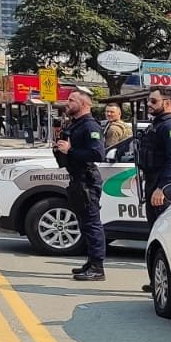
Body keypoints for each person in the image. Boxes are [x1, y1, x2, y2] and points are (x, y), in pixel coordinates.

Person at [54, 92, 108, 282]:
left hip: (87, 180)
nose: (67, 104)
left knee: (92, 223)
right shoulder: (74, 124)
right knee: (84, 223)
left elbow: (97, 153)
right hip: (76, 178)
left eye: (71, 101)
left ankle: (97, 267)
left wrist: (71, 150)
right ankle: (90, 261)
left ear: (84, 104)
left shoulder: (90, 125)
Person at [134, 87, 171, 225]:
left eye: (153, 101)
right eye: (148, 101)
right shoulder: (157, 125)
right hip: (153, 182)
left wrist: (163, 187)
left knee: (163, 231)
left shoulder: (170, 126)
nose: (149, 104)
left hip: (163, 186)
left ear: (167, 103)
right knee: (154, 229)